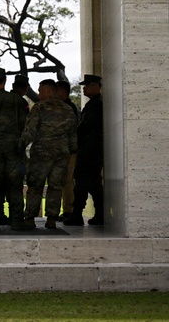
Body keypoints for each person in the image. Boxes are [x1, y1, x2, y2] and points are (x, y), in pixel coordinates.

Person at [0, 67, 35, 232]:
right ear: (5, 80)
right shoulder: (16, 100)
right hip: (13, 147)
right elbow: (23, 123)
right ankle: (16, 220)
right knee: (15, 185)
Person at [22, 79, 78, 229]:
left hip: (42, 153)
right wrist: (72, 149)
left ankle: (30, 218)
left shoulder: (39, 108)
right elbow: (73, 134)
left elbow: (30, 130)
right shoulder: (68, 109)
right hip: (62, 154)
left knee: (35, 185)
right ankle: (51, 219)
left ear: (48, 91)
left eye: (40, 91)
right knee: (55, 186)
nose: (39, 94)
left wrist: (20, 145)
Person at [65, 74, 105, 226]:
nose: (84, 88)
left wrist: (75, 138)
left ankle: (77, 214)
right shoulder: (95, 103)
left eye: (87, 85)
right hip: (92, 150)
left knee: (82, 182)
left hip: (90, 151)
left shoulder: (95, 104)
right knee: (93, 184)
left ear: (95, 86)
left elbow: (85, 127)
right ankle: (99, 213)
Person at [56, 80, 80, 221]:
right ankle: (67, 210)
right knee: (65, 181)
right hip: (65, 149)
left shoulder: (68, 107)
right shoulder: (68, 107)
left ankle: (69, 210)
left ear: (62, 91)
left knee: (67, 181)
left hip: (69, 150)